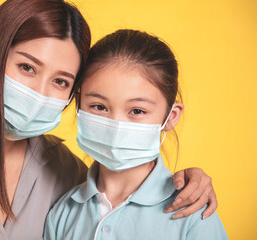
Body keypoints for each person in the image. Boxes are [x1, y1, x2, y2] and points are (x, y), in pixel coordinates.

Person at [0, 0, 216, 239]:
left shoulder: (69, 174)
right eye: (27, 68)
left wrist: (191, 181)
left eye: (61, 81)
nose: (39, 92)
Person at [44, 29, 228, 239]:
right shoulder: (62, 213)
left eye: (137, 111)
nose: (115, 125)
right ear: (78, 105)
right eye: (99, 106)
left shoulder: (192, 212)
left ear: (170, 116)